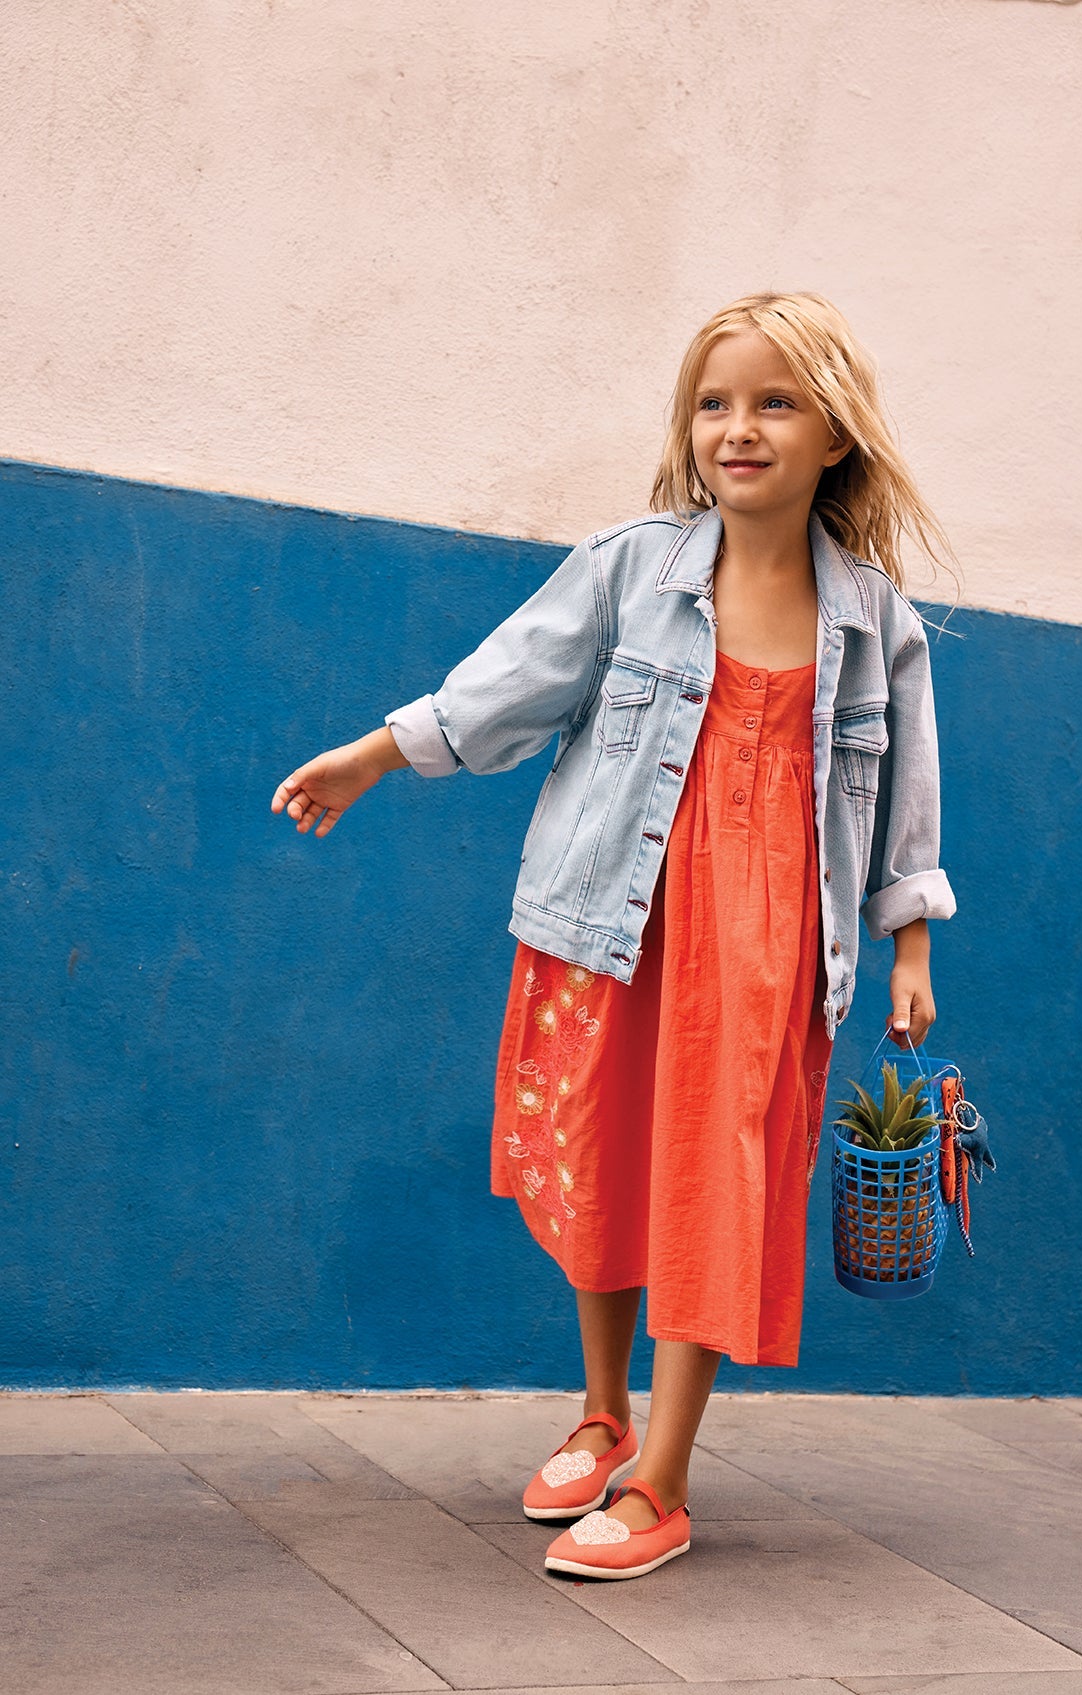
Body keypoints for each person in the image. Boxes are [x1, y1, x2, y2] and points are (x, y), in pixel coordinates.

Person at [271, 291, 958, 1581]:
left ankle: (662, 1482)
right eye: (713, 403)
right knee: (608, 1154)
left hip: (763, 941)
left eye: (775, 403)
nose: (737, 428)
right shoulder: (631, 569)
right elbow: (508, 681)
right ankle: (603, 1414)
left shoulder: (878, 623)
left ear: (835, 437)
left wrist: (910, 944)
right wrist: (375, 755)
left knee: (710, 1177)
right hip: (615, 913)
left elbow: (903, 800)